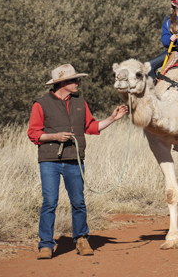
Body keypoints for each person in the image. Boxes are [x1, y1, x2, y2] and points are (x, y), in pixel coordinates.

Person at [27, 64, 128, 260]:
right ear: (62, 83)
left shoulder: (80, 102)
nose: (78, 83)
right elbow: (33, 134)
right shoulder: (40, 104)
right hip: (49, 161)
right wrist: (55, 136)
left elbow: (91, 126)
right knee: (50, 202)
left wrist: (113, 118)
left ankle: (81, 239)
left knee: (78, 202)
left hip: (75, 160)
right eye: (74, 80)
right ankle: (46, 245)